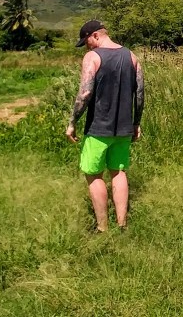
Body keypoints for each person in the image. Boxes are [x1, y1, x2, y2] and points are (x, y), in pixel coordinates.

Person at [66, 20, 144, 232]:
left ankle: (102, 228)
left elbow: (84, 93)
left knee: (94, 174)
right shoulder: (132, 56)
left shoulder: (93, 57)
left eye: (87, 41)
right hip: (124, 128)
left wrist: (72, 122)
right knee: (118, 172)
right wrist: (136, 122)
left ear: (96, 35)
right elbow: (140, 94)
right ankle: (122, 225)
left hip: (98, 128)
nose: (87, 46)